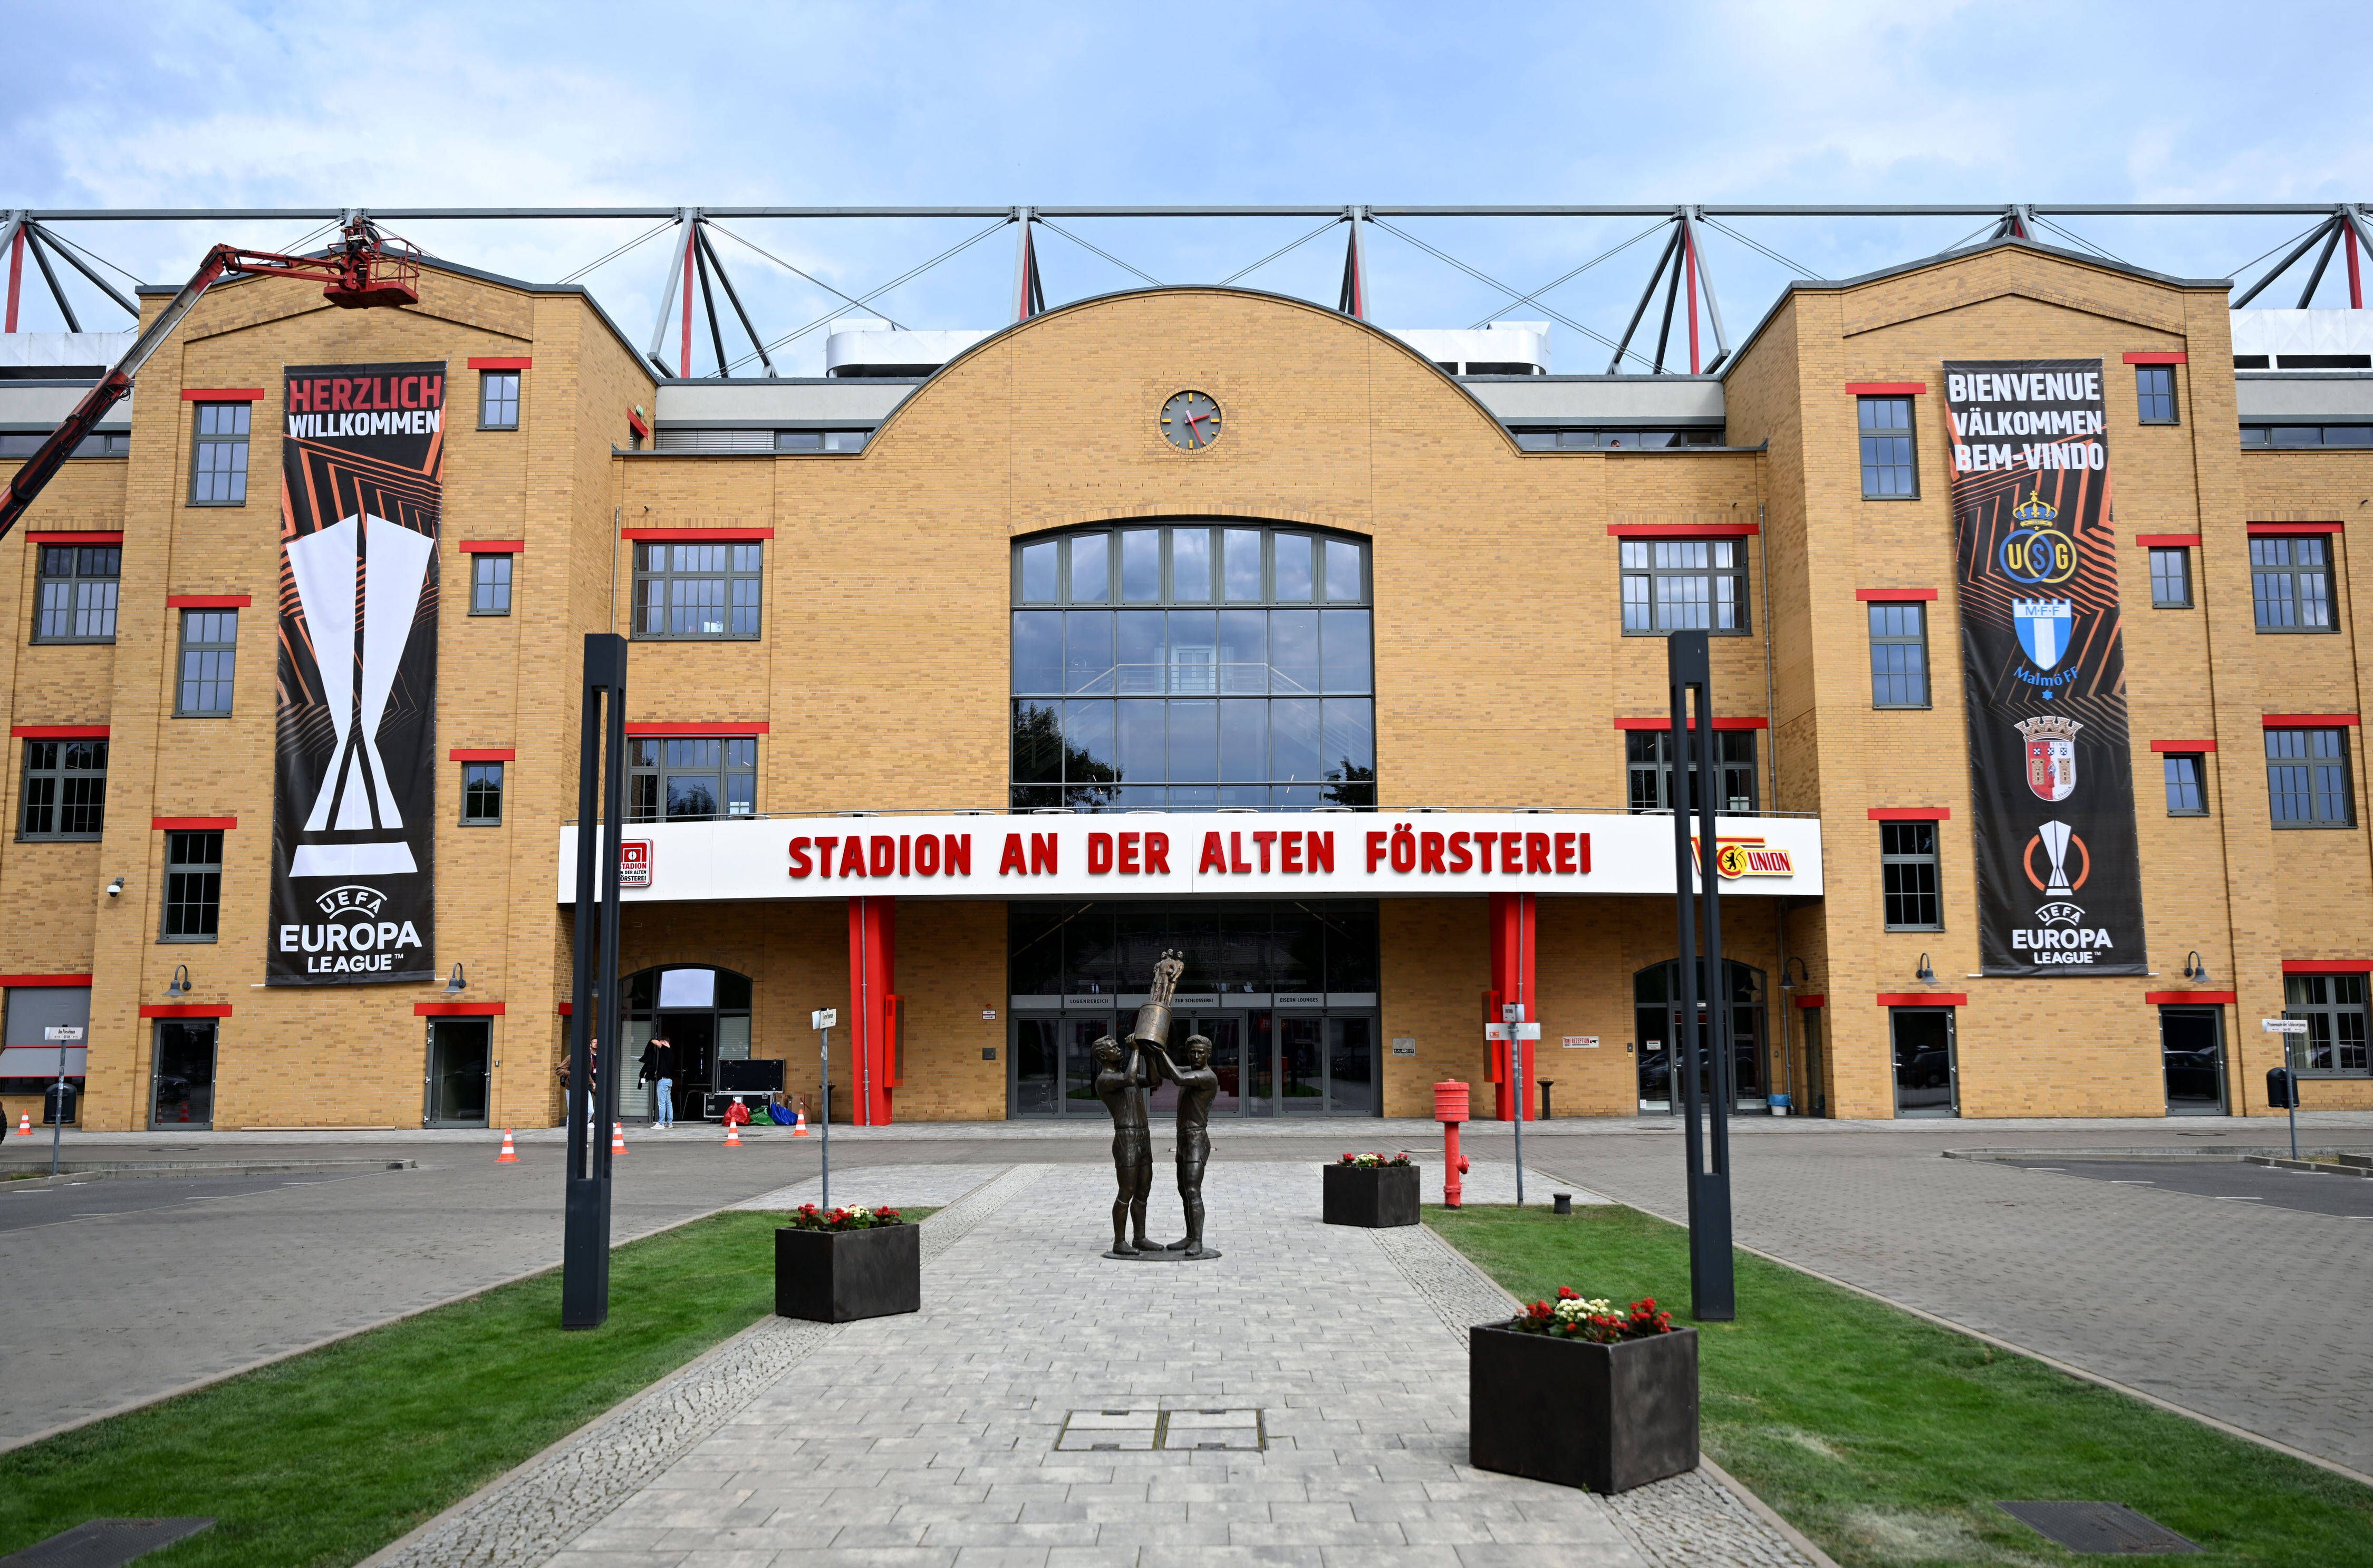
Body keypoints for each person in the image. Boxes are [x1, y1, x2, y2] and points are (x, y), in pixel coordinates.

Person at [1145, 1033, 1219, 1257]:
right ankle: (1189, 1235)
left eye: (1201, 1052)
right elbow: (1168, 1072)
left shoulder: (1207, 1076)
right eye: (1192, 1053)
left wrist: (1159, 1051)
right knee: (1183, 1189)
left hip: (1197, 1139)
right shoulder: (1192, 1070)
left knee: (1193, 1189)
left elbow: (1177, 1078)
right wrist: (1150, 1052)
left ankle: (1197, 1240)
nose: (1196, 1056)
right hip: (1183, 1139)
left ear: (1209, 1054)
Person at [1093, 1033, 1155, 1255]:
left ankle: (1140, 1238)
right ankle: (1119, 1242)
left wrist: (1149, 1054)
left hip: (1143, 1136)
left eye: (1119, 1046)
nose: (1119, 1049)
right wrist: (1136, 1050)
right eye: (1114, 1048)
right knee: (1126, 1191)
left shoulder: (1125, 1076)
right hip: (1126, 1139)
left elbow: (1153, 1081)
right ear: (1103, 1055)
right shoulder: (1106, 1080)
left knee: (1143, 1190)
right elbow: (1130, 1079)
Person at [638, 1033, 678, 1129]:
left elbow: (656, 1042)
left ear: (664, 1042)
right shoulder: (671, 1053)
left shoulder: (665, 1050)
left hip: (663, 1082)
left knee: (662, 1103)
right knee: (669, 1102)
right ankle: (670, 1123)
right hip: (669, 1081)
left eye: (661, 1043)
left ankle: (661, 1123)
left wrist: (652, 1040)